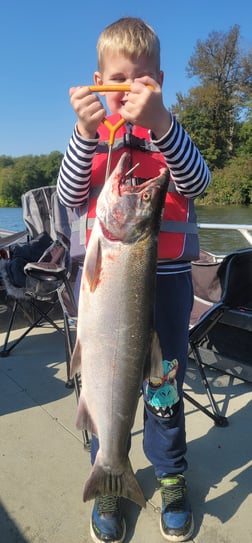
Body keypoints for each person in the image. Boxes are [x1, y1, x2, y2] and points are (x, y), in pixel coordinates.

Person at [57, 16, 210, 543]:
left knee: (163, 389)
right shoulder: (93, 139)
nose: (128, 89)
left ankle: (170, 475)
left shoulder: (169, 134)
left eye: (142, 79)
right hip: (110, 291)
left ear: (160, 82)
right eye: (117, 78)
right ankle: (109, 474)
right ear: (98, 80)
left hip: (164, 287)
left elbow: (198, 181)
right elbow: (69, 195)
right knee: (101, 385)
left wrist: (164, 123)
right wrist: (83, 132)